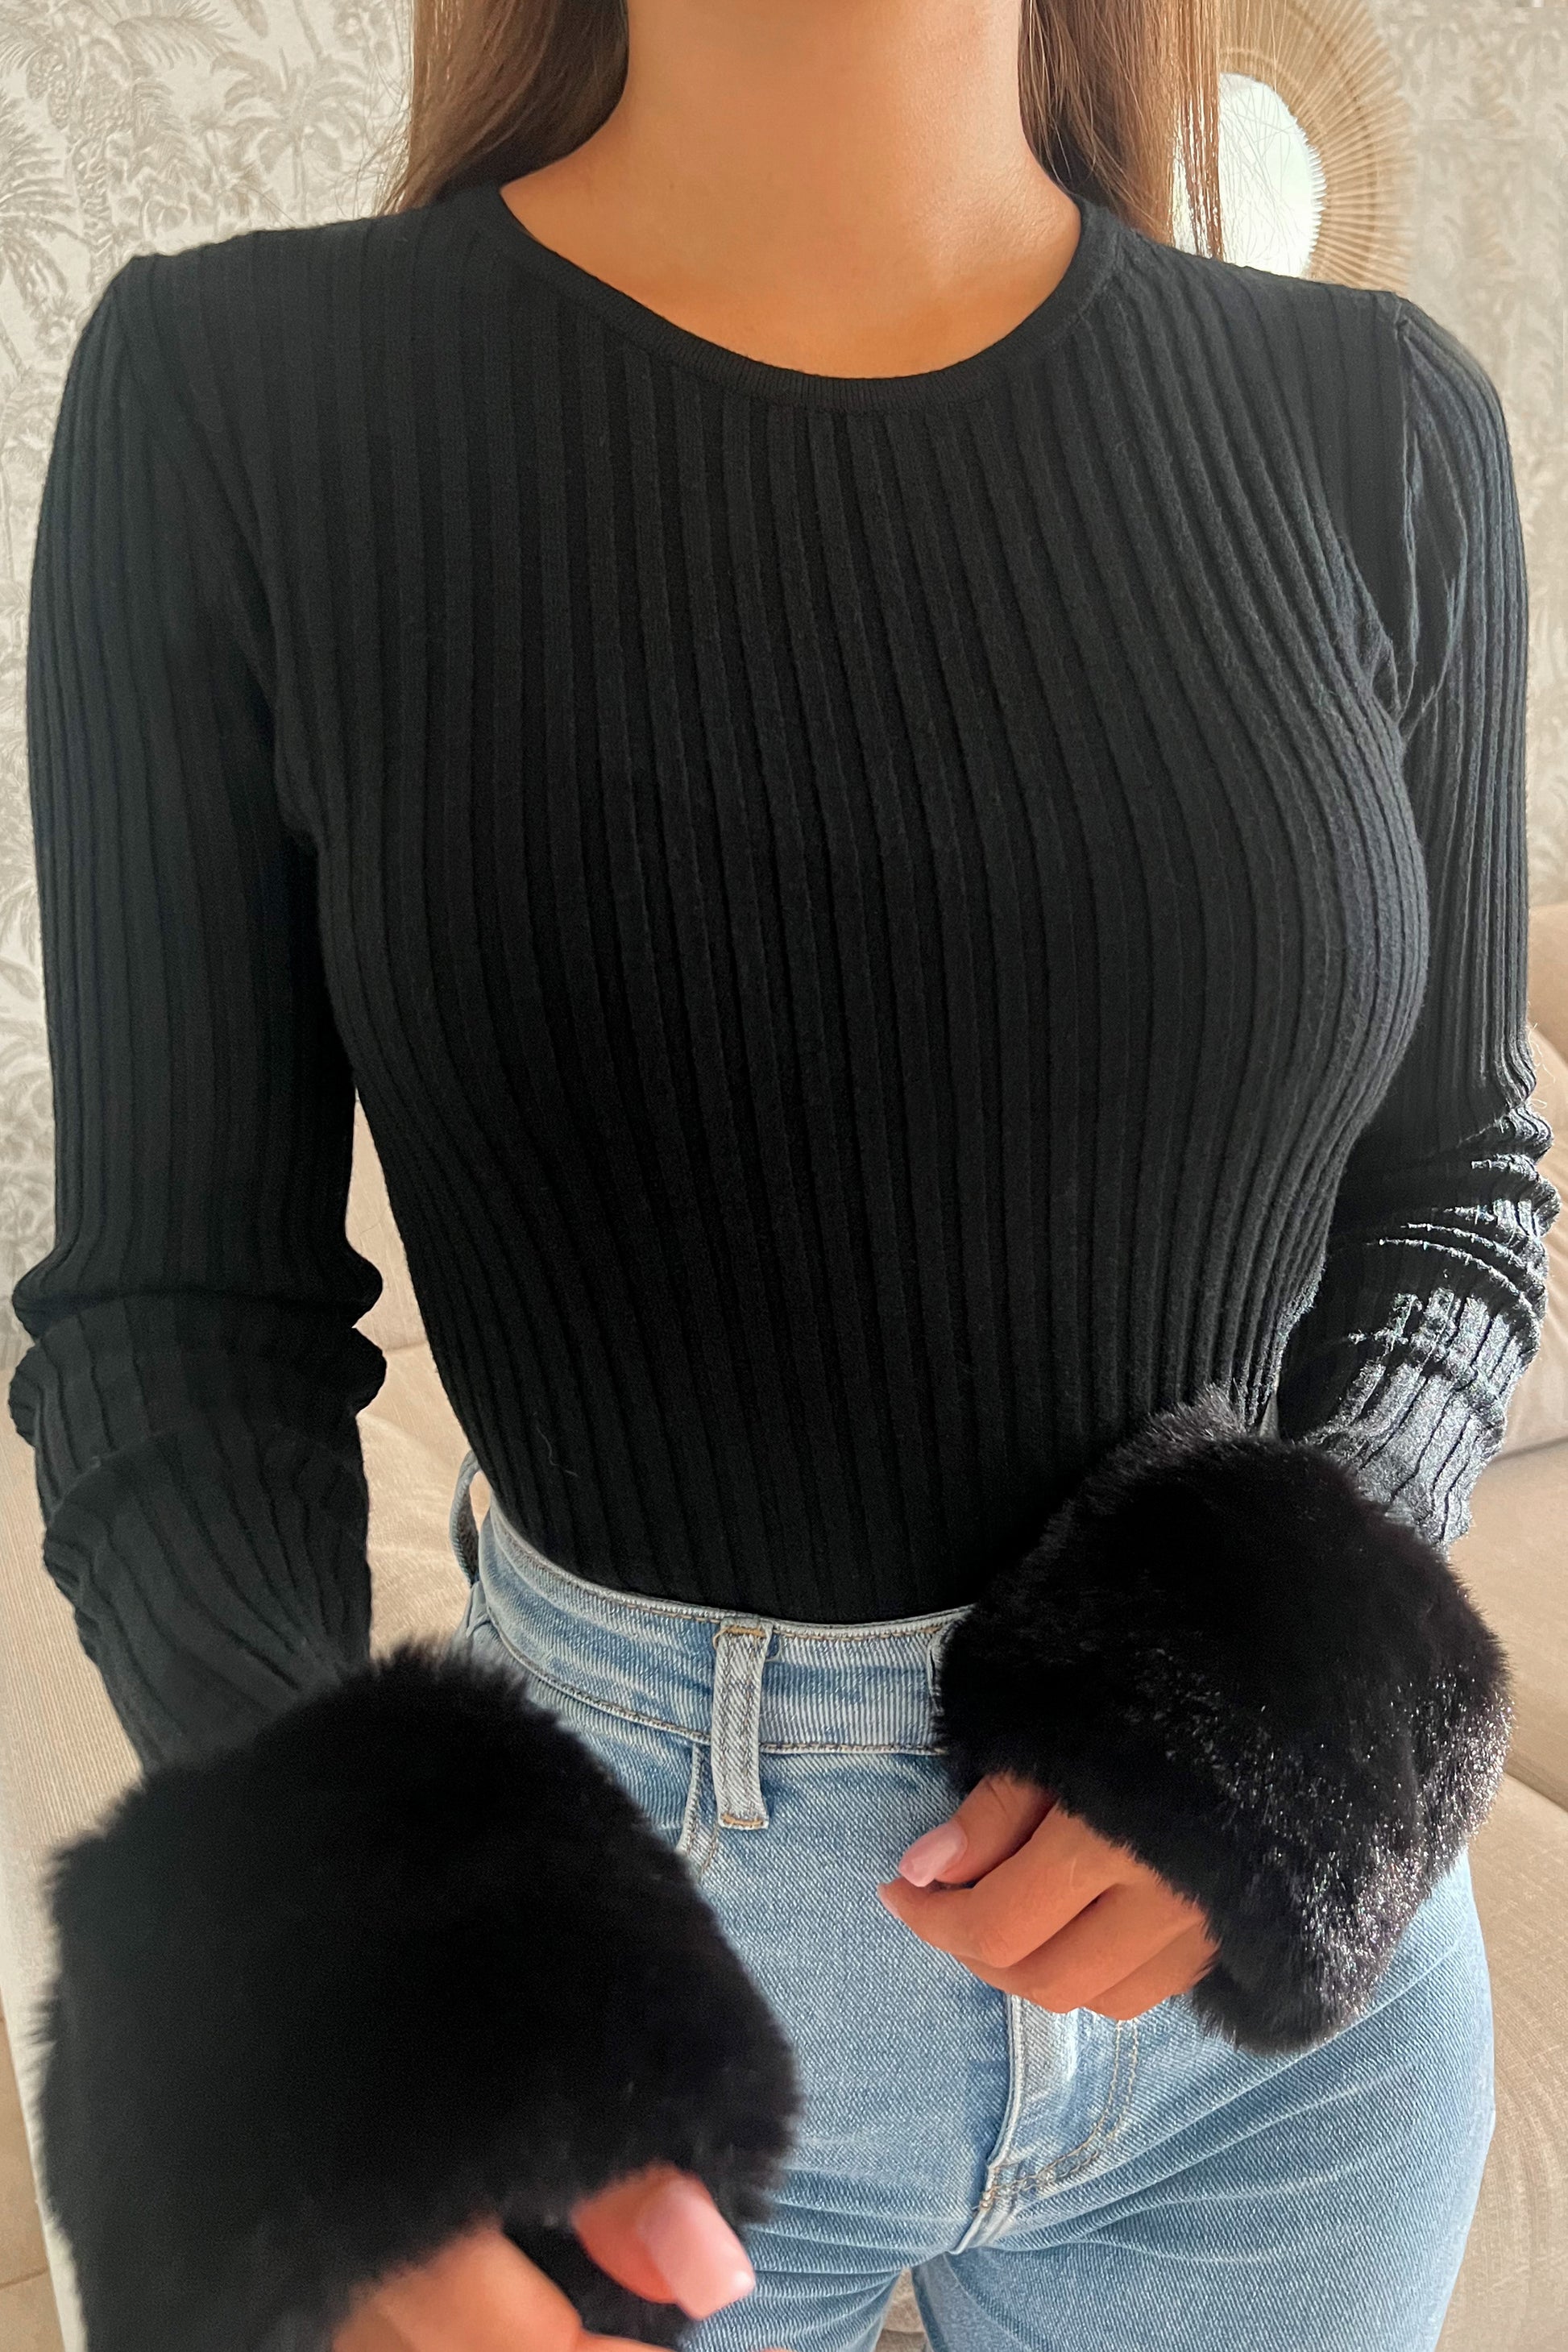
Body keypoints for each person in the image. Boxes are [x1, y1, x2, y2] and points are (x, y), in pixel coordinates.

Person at [7, 0, 1560, 2340]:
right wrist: (347, 1991)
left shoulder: (1382, 422)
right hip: (608, 2006)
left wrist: (1290, 1685)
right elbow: (173, 1323)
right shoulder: (234, 396)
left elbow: (1459, 1177)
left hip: (1276, 2026)